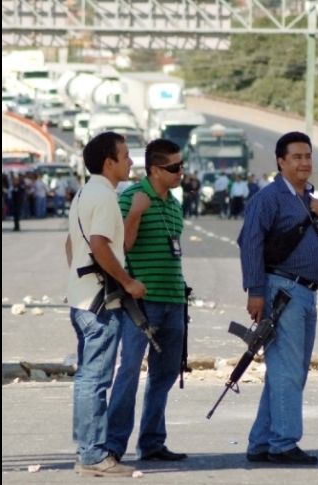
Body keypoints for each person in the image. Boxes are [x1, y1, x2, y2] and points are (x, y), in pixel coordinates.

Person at [237, 131, 318, 465]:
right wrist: (255, 291)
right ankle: (283, 444)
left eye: (308, 156)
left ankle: (262, 442)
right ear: (280, 161)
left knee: (288, 370)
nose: (304, 162)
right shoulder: (269, 199)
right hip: (281, 290)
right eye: (296, 157)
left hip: (306, 293)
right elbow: (250, 242)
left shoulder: (310, 199)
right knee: (287, 372)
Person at [65, 131, 145, 477]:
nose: (130, 162)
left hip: (83, 298)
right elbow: (99, 244)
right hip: (99, 303)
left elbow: (71, 244)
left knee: (88, 377)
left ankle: (87, 448)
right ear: (108, 162)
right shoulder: (104, 196)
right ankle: (93, 455)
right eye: (125, 156)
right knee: (94, 379)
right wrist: (126, 281)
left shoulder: (85, 192)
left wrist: (80, 278)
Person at [106, 139, 188, 463]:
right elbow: (122, 246)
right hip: (143, 303)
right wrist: (136, 214)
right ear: (153, 169)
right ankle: (113, 446)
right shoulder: (131, 199)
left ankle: (152, 441)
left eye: (181, 165)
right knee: (128, 372)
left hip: (173, 299)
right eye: (173, 168)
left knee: (164, 375)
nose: (180, 172)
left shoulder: (174, 204)